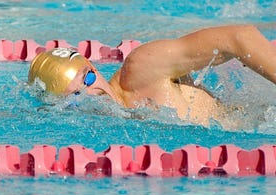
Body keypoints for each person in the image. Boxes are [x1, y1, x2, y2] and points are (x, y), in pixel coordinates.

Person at [28, 24, 276, 127]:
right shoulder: (112, 130)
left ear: (94, 68)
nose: (93, 93)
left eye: (89, 79)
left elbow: (240, 37)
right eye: (75, 97)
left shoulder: (140, 69)